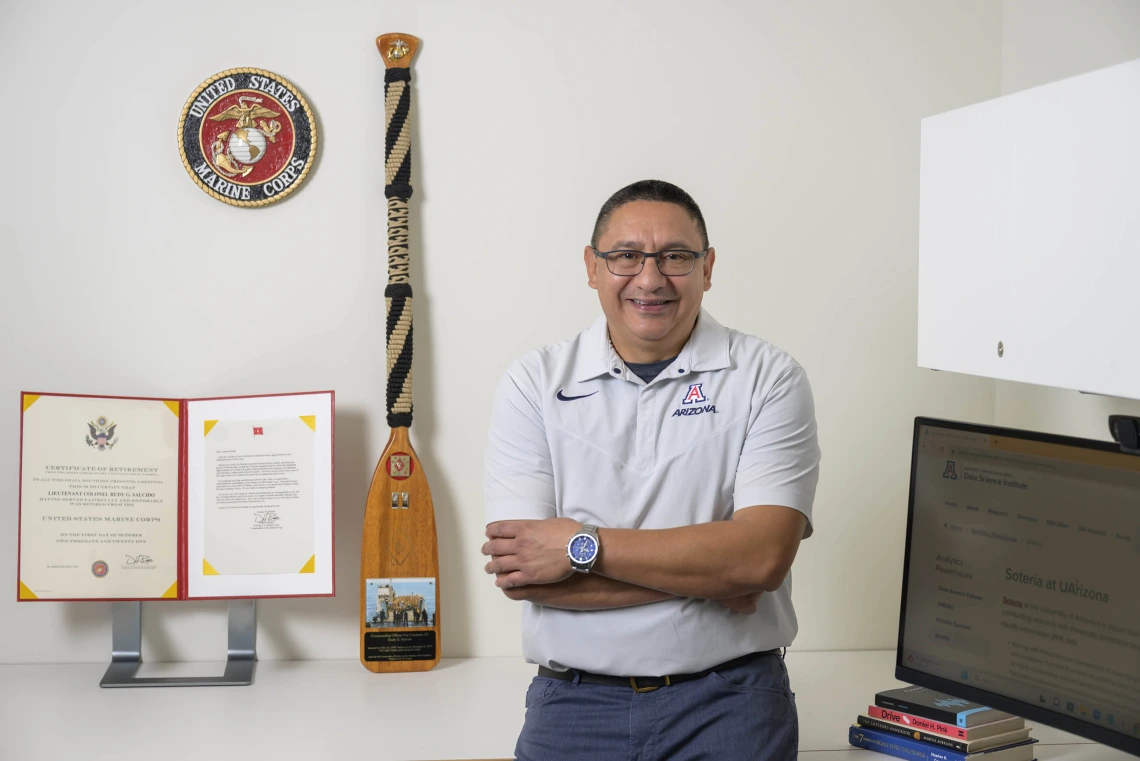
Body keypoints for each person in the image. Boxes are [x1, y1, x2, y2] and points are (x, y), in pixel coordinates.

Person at [481, 179, 821, 761]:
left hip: (732, 700)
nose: (650, 278)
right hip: (572, 703)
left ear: (708, 268)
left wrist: (578, 547)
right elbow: (526, 575)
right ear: (592, 267)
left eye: (676, 257)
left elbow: (760, 560)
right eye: (625, 256)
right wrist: (712, 581)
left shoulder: (769, 378)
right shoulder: (533, 384)